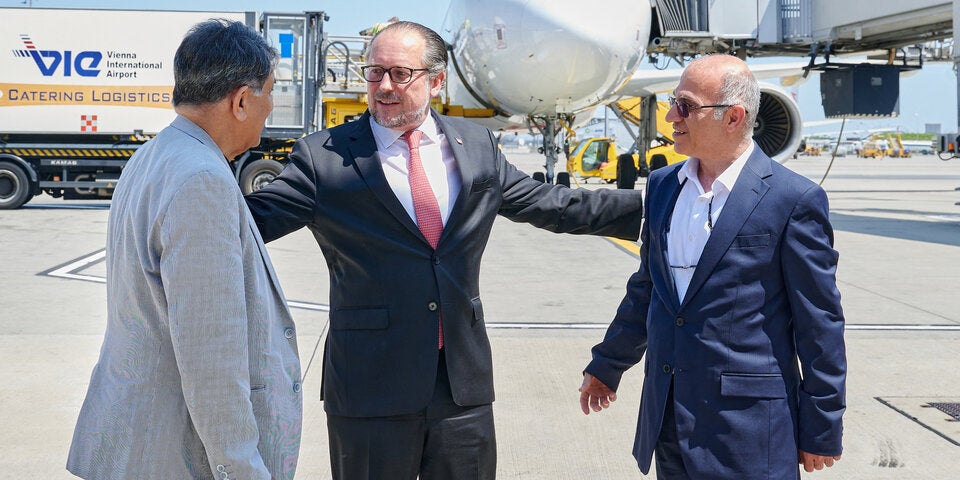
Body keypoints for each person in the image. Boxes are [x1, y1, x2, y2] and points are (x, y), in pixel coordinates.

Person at [245, 21, 643, 480]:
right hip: (370, 388)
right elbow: (250, 222)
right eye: (374, 72)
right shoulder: (324, 158)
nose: (384, 86)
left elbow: (554, 205)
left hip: (461, 388)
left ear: (436, 81)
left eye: (400, 73)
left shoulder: (476, 147)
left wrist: (659, 206)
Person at [579, 54, 846, 479]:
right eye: (673, 103)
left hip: (748, 431)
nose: (671, 116)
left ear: (733, 117)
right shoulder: (664, 186)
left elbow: (820, 323)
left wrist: (822, 425)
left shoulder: (793, 200)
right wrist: (607, 364)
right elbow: (648, 289)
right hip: (669, 419)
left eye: (685, 106)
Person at [67, 19, 302, 480]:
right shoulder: (202, 180)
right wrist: (241, 469)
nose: (271, 107)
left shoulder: (156, 154)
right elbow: (210, 353)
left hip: (140, 437)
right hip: (174, 453)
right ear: (241, 101)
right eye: (270, 92)